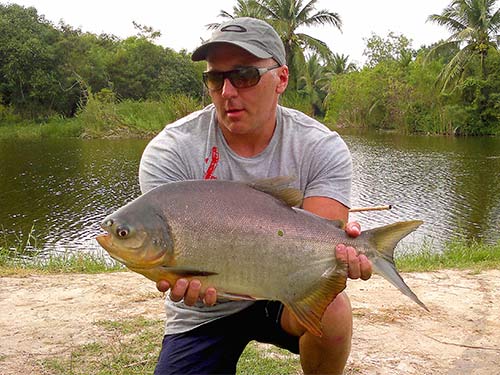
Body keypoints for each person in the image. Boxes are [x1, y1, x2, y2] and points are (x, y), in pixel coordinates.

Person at [139, 17, 372, 375]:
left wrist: (344, 251)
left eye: (245, 76)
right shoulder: (170, 151)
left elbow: (322, 240)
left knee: (334, 308)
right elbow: (163, 253)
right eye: (216, 78)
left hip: (285, 292)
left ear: (281, 79)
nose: (228, 91)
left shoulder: (321, 146)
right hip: (203, 307)